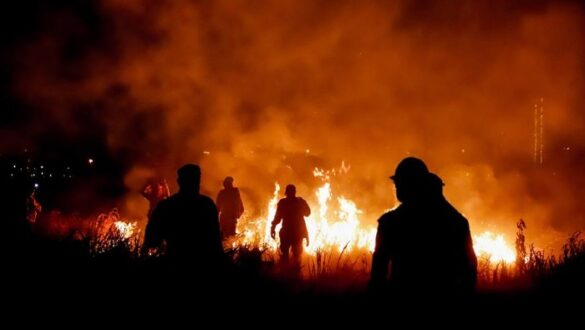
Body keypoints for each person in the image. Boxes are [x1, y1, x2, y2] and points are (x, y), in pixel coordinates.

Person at [370, 157, 477, 295]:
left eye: (400, 184)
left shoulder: (390, 223)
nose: (397, 188)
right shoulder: (456, 221)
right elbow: (469, 270)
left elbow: (378, 273)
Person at [143, 164, 223, 270]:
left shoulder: (167, 206)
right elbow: (215, 241)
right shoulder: (207, 205)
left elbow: (152, 240)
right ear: (198, 182)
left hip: (175, 263)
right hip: (203, 265)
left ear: (179, 181)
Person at [270, 184, 311, 267]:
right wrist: (273, 228)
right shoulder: (296, 202)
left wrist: (273, 228)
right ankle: (291, 273)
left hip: (289, 232)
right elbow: (307, 213)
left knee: (289, 255)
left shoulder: (284, 203)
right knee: (294, 255)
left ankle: (287, 273)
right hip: (294, 233)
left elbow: (277, 218)